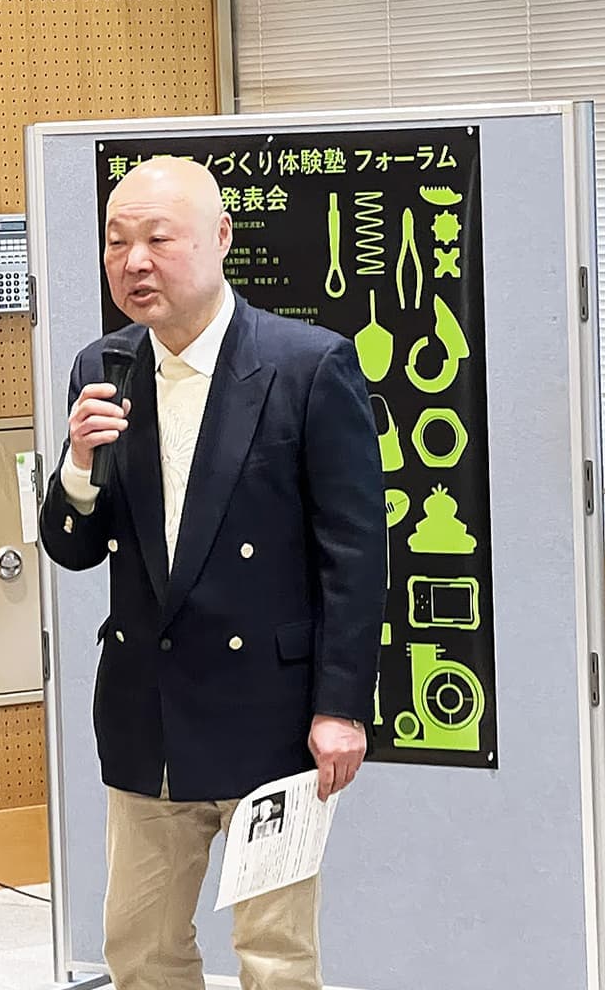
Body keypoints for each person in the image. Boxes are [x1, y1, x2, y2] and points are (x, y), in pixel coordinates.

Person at [38, 158, 385, 990]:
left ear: (221, 237)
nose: (134, 262)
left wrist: (341, 706)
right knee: (139, 950)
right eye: (117, 242)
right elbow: (73, 548)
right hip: (147, 712)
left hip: (273, 716)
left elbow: (354, 552)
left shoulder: (307, 364)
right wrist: (78, 464)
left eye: (158, 239)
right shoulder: (104, 365)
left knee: (274, 956)